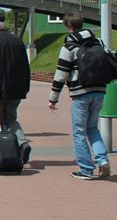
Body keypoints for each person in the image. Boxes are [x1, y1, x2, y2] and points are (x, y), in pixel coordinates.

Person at [48, 13, 112, 180]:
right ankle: (102, 160)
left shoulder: (69, 46)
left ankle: (86, 170)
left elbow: (61, 75)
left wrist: (53, 98)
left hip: (81, 93)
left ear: (68, 26)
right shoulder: (98, 42)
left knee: (79, 132)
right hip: (99, 90)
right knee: (92, 129)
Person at [0, 12, 32, 164]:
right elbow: (25, 67)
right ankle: (22, 143)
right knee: (11, 118)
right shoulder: (17, 41)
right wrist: (25, 87)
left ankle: (0, 150)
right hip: (17, 89)